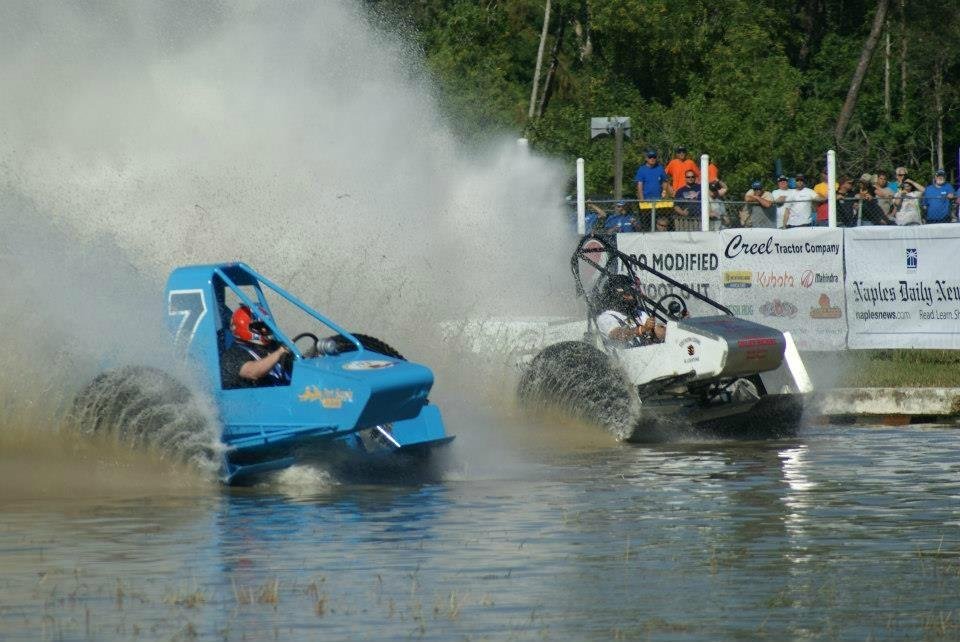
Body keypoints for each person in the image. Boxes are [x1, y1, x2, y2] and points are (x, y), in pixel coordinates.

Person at [220, 304, 291, 389]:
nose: (264, 330)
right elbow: (252, 372)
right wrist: (279, 353)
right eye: (259, 326)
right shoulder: (232, 355)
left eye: (265, 326)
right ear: (244, 327)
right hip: (251, 399)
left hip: (288, 393)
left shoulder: (273, 346)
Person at [595, 275, 664, 346]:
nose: (633, 297)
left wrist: (665, 330)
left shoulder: (639, 313)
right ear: (616, 296)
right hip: (625, 356)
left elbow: (657, 331)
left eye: (633, 294)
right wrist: (643, 329)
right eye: (628, 294)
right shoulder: (605, 318)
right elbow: (619, 335)